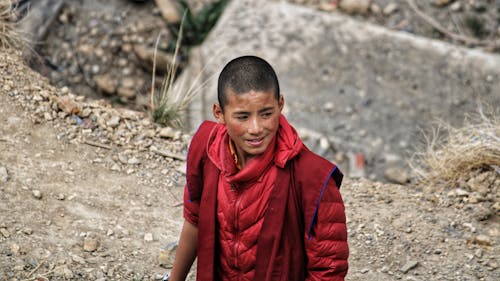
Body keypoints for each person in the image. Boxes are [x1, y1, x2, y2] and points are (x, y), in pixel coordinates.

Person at [166, 56, 348, 281]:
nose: (256, 128)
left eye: (266, 114)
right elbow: (194, 219)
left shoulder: (313, 178)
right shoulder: (206, 148)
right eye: (242, 116)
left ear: (280, 105)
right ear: (219, 114)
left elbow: (328, 271)